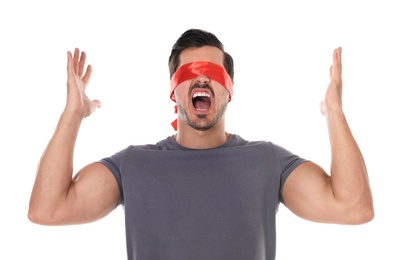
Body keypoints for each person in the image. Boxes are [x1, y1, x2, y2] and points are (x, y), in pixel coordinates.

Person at [28, 28, 374, 260]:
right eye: (189, 72)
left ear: (229, 89)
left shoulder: (267, 161)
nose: (202, 77)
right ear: (173, 89)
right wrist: (72, 115)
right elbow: (48, 209)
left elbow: (353, 208)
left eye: (212, 71)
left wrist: (334, 113)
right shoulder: (133, 165)